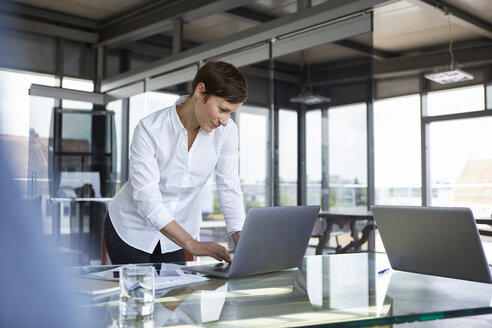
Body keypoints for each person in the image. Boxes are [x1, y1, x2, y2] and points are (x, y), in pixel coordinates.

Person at [104, 61, 248, 264]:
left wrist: (241, 240)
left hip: (177, 234)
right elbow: (147, 196)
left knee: (176, 294)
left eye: (230, 113)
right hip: (131, 229)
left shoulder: (227, 132)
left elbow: (229, 186)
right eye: (222, 109)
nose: (224, 120)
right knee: (139, 293)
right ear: (200, 91)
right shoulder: (149, 129)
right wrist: (192, 244)